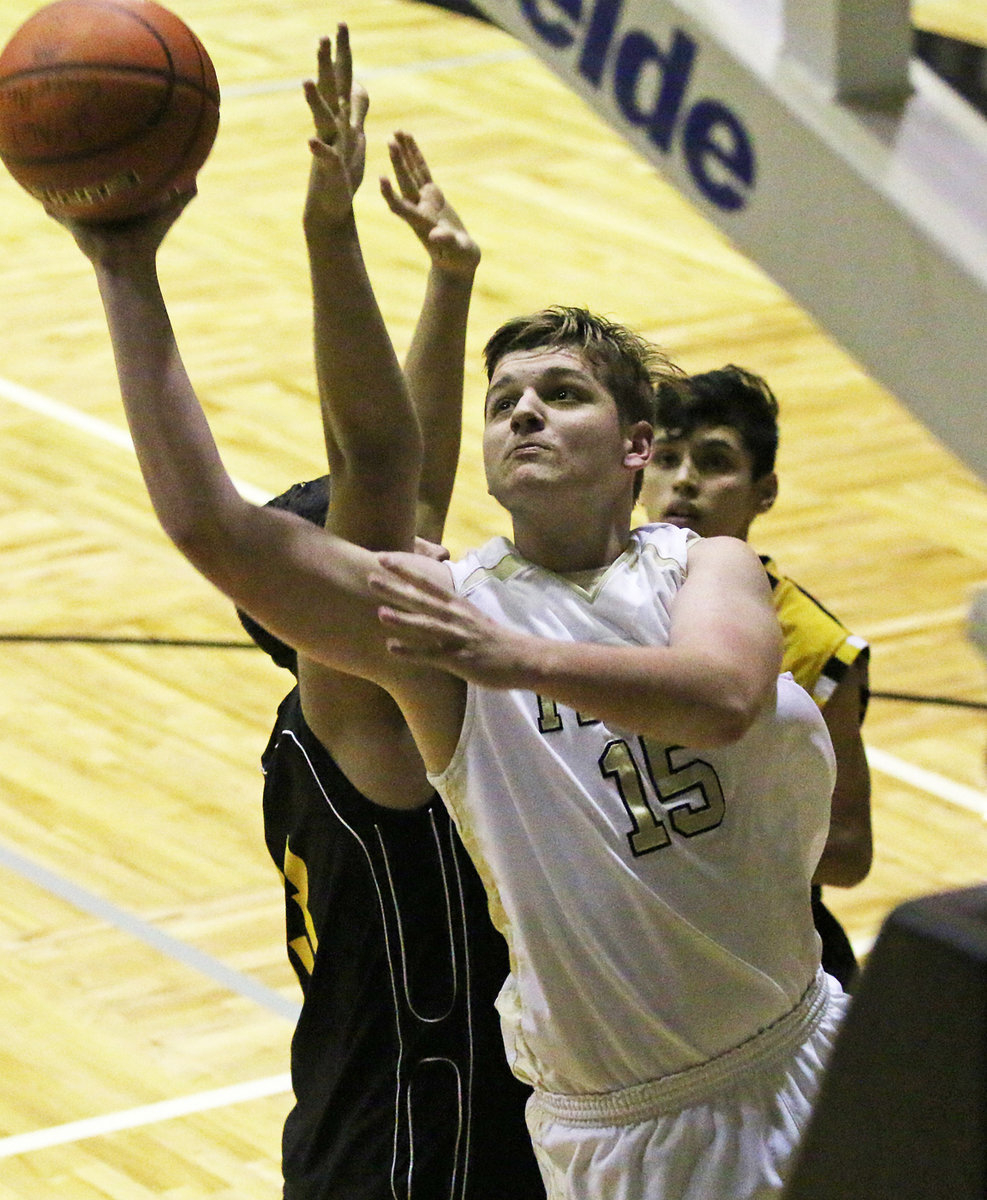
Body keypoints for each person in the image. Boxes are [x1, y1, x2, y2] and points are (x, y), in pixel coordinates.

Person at [54, 24, 847, 1199]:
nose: (524, 412)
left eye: (562, 394)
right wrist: (123, 267)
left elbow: (728, 698)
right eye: (504, 399)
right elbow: (239, 519)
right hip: (611, 1128)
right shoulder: (441, 628)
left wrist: (506, 652)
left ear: (638, 447)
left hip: (806, 1052)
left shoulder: (699, 569)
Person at [236, 35, 544, 1197]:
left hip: (392, 1126)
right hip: (420, 1153)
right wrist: (330, 235)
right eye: (388, 553)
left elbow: (401, 484)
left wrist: (451, 279)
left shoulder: (359, 699)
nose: (433, 540)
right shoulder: (364, 708)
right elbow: (378, 461)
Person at [639, 365, 872, 988]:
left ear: (763, 492)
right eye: (666, 457)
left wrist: (703, 842)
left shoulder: (815, 644)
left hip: (764, 948)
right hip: (627, 936)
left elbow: (848, 851)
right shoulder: (576, 600)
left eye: (714, 461)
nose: (684, 480)